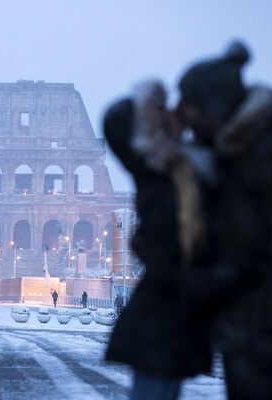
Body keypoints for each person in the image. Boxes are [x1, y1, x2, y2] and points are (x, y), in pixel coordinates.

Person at [174, 41, 272, 400]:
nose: (182, 115)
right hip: (247, 315)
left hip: (265, 317)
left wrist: (216, 276)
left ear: (214, 106)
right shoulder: (231, 155)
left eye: (190, 105)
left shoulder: (264, 159)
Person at [104, 79, 214, 400]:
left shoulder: (182, 166)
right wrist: (149, 108)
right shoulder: (157, 166)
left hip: (178, 305)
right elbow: (115, 119)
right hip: (166, 304)